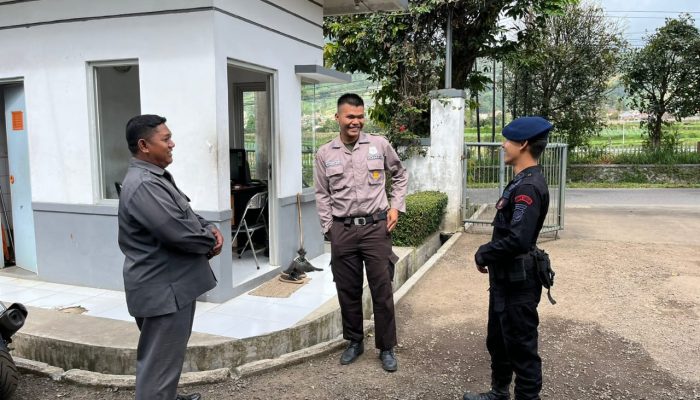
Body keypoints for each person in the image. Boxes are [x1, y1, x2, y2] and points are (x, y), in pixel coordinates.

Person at [118, 114, 223, 400]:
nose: (172, 143)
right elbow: (178, 232)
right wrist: (209, 242)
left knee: (165, 361)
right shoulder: (144, 184)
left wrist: (209, 227)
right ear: (144, 145)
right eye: (165, 139)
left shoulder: (154, 178)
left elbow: (184, 214)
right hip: (163, 291)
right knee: (158, 369)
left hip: (168, 288)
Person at [314, 93, 408, 372]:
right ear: (338, 118)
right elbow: (321, 194)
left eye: (359, 116)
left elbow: (400, 174)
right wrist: (328, 227)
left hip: (376, 229)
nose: (355, 122)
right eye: (350, 117)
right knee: (347, 290)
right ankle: (354, 341)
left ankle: (386, 347)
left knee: (382, 289)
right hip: (342, 230)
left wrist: (396, 207)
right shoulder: (324, 154)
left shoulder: (379, 145)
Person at [463, 116, 552, 400]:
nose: (503, 145)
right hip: (505, 279)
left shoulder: (528, 187)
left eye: (508, 140)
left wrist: (483, 253)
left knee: (522, 348)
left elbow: (519, 239)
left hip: (519, 281)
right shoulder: (521, 180)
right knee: (499, 341)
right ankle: (499, 393)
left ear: (523, 144)